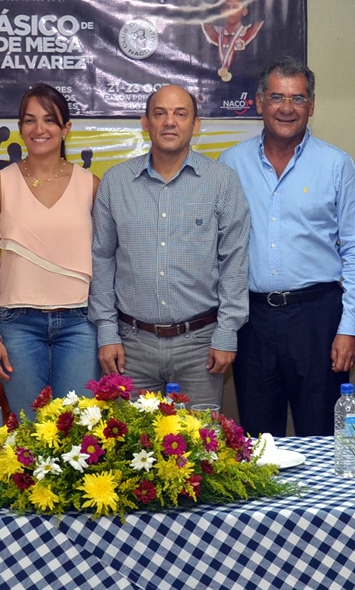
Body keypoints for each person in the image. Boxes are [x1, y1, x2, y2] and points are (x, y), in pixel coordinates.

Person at [219, 57, 355, 437]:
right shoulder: (230, 164)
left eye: (298, 98)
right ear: (258, 102)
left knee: (321, 435)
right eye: (277, 97)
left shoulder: (337, 165)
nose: (287, 108)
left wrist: (349, 328)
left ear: (312, 105)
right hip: (252, 322)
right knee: (256, 439)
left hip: (317, 319)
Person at [89, 85, 250, 407]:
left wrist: (227, 330)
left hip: (201, 344)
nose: (169, 122)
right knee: (131, 452)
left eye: (180, 114)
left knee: (201, 450)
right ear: (145, 122)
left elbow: (234, 261)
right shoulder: (115, 182)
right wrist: (107, 331)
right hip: (131, 346)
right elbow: (102, 258)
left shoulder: (222, 182)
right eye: (159, 113)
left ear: (196, 124)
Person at [0, 84, 100, 418]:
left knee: (77, 431)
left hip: (80, 324)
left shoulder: (91, 185)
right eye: (29, 120)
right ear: (20, 128)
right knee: (31, 437)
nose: (39, 129)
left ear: (66, 129)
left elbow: (107, 264)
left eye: (49, 120)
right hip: (17, 326)